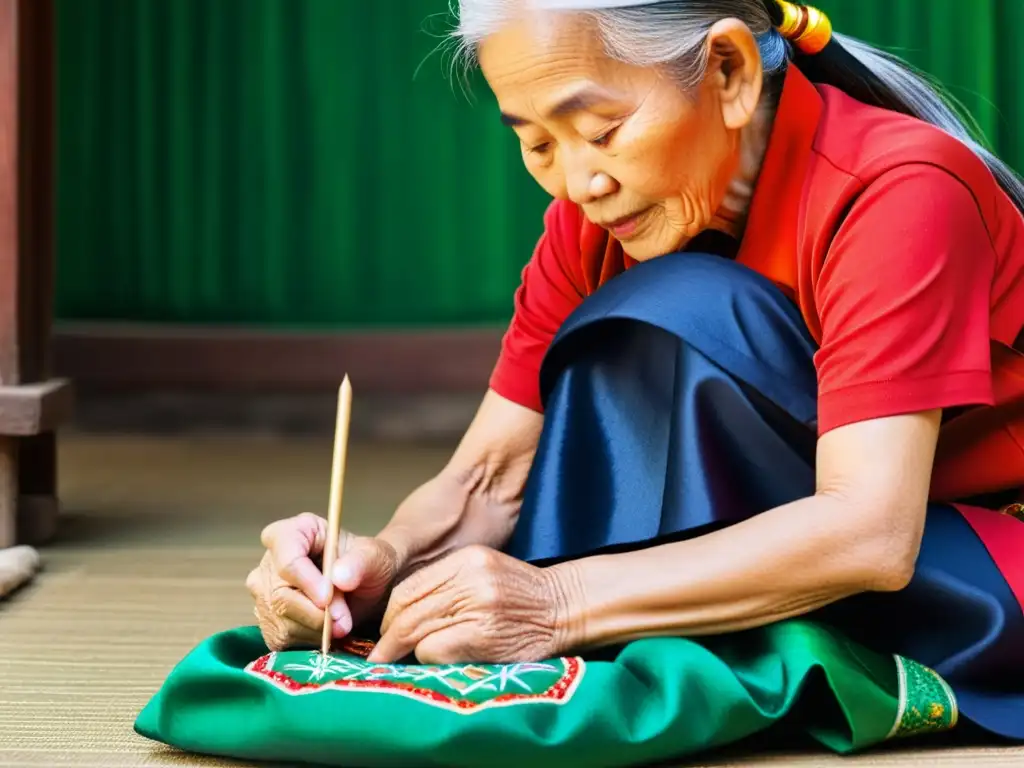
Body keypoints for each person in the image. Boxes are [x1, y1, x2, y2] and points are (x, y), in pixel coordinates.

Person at [246, 0, 1024, 734]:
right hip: (796, 544)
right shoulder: (596, 220)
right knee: (652, 320)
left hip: (975, 559)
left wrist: (558, 603)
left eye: (602, 129)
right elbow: (487, 479)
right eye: (538, 143)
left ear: (728, 71)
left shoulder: (901, 190)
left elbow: (870, 532)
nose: (581, 183)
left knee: (688, 304)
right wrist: (377, 566)